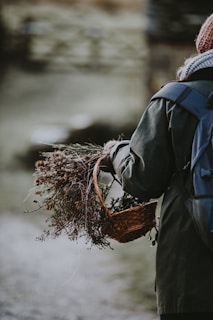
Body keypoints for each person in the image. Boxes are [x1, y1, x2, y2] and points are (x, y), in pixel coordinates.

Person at [101, 13, 213, 320]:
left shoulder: (175, 100)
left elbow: (143, 178)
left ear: (203, 48)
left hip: (190, 253)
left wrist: (117, 152)